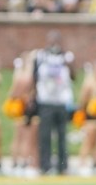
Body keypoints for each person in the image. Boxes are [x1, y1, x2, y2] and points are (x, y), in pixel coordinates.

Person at [31, 30, 75, 175]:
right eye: (51, 40)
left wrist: (69, 64)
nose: (54, 43)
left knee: (62, 135)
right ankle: (45, 165)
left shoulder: (66, 56)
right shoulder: (41, 56)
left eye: (56, 40)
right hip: (46, 101)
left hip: (61, 101)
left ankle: (63, 166)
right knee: (45, 135)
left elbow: (74, 76)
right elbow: (34, 77)